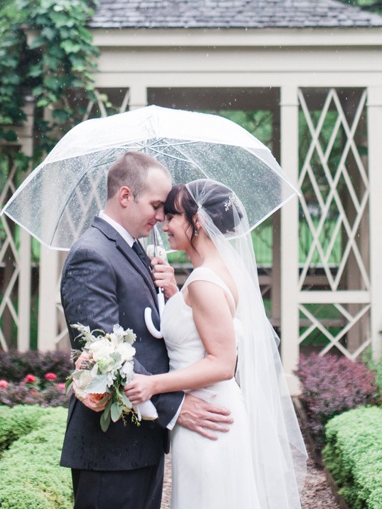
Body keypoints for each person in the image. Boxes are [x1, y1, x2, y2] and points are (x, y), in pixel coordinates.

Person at [59, 152, 233, 509]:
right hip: (111, 447)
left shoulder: (134, 250)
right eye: (156, 205)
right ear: (125, 196)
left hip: (141, 439)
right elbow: (104, 357)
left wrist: (168, 293)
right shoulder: (91, 255)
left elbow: (150, 333)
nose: (160, 217)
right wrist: (175, 404)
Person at [124, 179, 306, 509]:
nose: (164, 225)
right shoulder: (209, 275)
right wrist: (174, 294)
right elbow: (200, 330)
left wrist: (153, 384)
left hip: (207, 418)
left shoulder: (205, 281)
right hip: (209, 413)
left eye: (173, 217)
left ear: (200, 221)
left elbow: (222, 363)